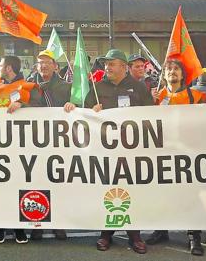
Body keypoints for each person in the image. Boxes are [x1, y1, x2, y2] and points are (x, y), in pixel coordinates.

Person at [64, 49, 152, 254]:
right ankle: (105, 233)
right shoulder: (97, 87)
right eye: (105, 64)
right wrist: (89, 112)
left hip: (132, 151)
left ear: (123, 66)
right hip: (104, 151)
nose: (107, 68)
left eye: (111, 64)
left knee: (131, 191)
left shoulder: (138, 87)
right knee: (107, 190)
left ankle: (134, 235)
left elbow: (151, 115)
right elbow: (82, 115)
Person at [145, 59, 205, 255]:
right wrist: (148, 101)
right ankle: (162, 230)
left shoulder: (197, 95)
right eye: (169, 69)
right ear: (163, 74)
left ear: (183, 74)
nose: (172, 72)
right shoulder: (156, 97)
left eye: (176, 69)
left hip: (187, 154)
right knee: (162, 194)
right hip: (162, 154)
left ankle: (194, 236)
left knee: (190, 196)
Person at [0, 55, 40, 244]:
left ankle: (20, 227)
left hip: (22, 144)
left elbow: (41, 108)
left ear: (9, 68)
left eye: (1, 65)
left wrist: (23, 105)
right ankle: (0, 226)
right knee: (0, 185)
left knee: (20, 185)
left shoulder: (28, 87)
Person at [26, 50, 70, 241]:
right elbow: (21, 104)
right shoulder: (28, 86)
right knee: (36, 182)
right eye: (40, 62)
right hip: (34, 140)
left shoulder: (66, 87)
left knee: (58, 182)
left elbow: (78, 104)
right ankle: (38, 223)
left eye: (47, 62)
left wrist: (72, 104)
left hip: (58, 141)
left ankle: (59, 223)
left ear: (55, 66)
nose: (43, 66)